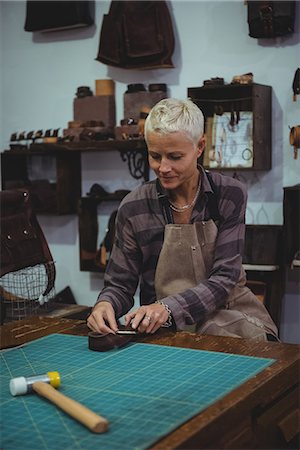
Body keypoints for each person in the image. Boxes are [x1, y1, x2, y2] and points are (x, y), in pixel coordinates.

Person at [87, 98, 278, 341]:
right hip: (164, 329)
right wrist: (106, 304)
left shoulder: (228, 195)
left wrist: (167, 308)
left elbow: (225, 278)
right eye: (155, 156)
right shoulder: (133, 207)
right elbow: (120, 285)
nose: (163, 167)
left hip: (229, 316)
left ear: (200, 147)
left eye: (175, 156)